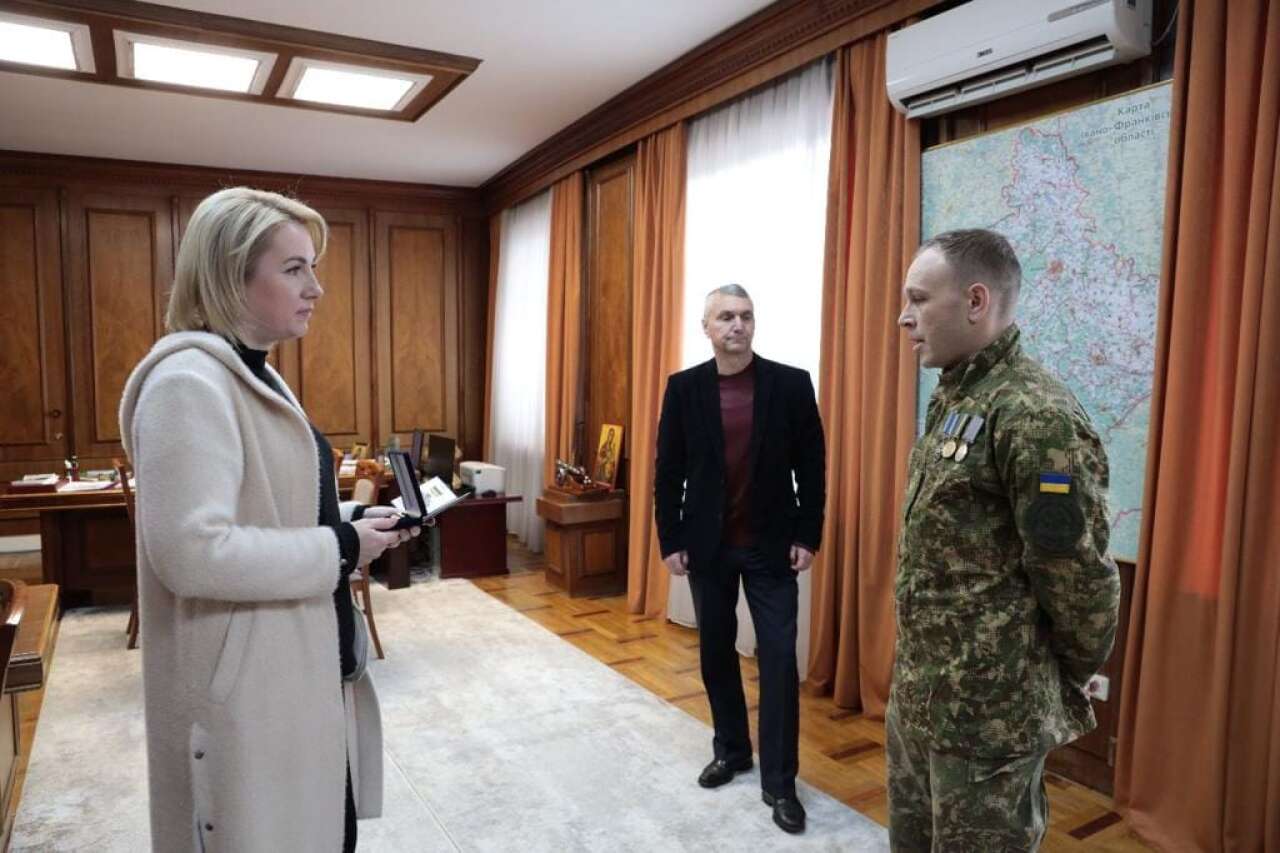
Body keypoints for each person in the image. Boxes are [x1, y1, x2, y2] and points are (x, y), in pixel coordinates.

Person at [119, 187, 419, 852]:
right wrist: (340, 546)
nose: (316, 288)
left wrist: (352, 521)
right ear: (231, 275)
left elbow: (270, 504)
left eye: (313, 267)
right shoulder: (187, 384)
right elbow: (193, 552)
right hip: (247, 695)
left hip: (294, 676)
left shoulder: (254, 374)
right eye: (294, 269)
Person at [890, 228, 1122, 850]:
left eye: (918, 299)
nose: (904, 317)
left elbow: (1077, 579)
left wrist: (1045, 676)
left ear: (975, 301)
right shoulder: (960, 394)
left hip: (988, 718)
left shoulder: (1035, 415)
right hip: (922, 695)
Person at [654, 283, 826, 834]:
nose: (738, 325)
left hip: (771, 547)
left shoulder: (791, 384)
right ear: (706, 327)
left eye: (746, 316)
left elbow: (813, 468)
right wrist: (671, 539)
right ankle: (731, 750)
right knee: (715, 652)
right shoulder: (684, 389)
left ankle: (781, 783)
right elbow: (668, 472)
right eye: (726, 316)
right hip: (709, 546)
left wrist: (808, 535)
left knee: (778, 660)